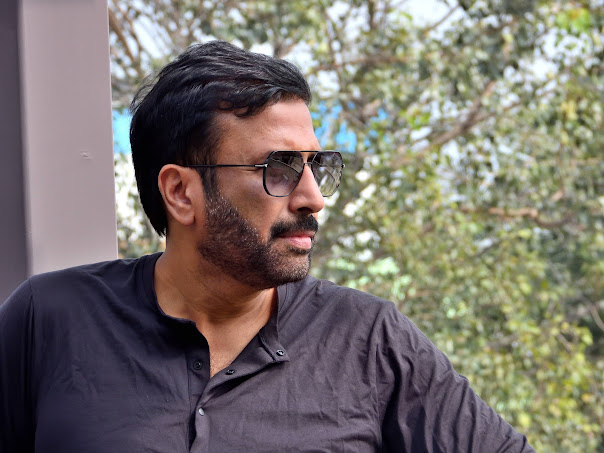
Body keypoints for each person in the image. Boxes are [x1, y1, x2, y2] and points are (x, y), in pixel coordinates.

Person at [0, 40, 535, 452]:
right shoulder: (49, 319)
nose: (313, 198)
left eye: (316, 166)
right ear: (181, 193)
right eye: (278, 168)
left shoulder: (370, 339)